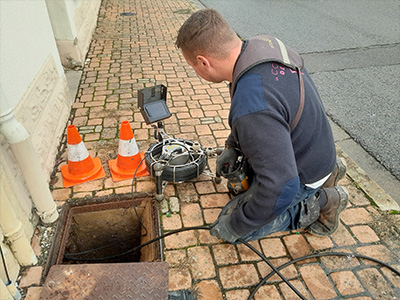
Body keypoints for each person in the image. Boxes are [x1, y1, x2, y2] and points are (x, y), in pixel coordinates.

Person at [175, 8, 348, 243]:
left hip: (303, 172)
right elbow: (268, 112)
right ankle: (330, 171)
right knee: (246, 193)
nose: (196, 71)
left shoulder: (252, 105)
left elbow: (282, 186)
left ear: (203, 62)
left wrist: (237, 226)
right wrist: (232, 146)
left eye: (192, 66)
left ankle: (325, 202)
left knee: (244, 226)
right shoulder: (261, 46)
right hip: (315, 147)